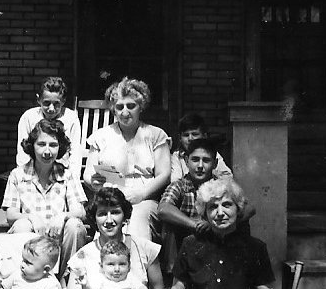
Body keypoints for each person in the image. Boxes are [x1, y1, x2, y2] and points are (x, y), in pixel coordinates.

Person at [162, 177, 276, 289]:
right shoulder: (191, 245)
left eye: (227, 205)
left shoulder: (254, 248)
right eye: (213, 207)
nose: (220, 212)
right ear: (205, 213)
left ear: (238, 209)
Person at [83, 77, 171, 240]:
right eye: (119, 107)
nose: (125, 112)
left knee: (137, 221)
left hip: (144, 199)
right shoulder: (101, 136)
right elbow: (88, 174)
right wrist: (94, 181)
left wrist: (141, 194)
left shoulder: (155, 135)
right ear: (113, 109)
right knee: (109, 220)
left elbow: (164, 174)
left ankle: (137, 256)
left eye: (131, 106)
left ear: (141, 107)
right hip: (110, 197)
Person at [3, 119, 88, 281]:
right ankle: (25, 281)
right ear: (32, 146)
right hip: (32, 241)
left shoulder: (67, 175)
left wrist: (63, 216)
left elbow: (81, 211)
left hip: (59, 242)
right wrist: (31, 217)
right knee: (21, 225)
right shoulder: (18, 175)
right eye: (41, 144)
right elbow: (11, 215)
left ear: (60, 148)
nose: (47, 151)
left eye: (53, 145)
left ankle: (67, 280)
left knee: (75, 225)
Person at [157, 138, 256, 273]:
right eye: (195, 160)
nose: (200, 166)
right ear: (186, 161)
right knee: (169, 224)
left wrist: (212, 224)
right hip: (190, 241)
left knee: (241, 221)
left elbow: (250, 208)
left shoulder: (222, 185)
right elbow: (163, 209)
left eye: (206, 160)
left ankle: (238, 269)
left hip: (218, 238)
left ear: (215, 164)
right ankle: (174, 274)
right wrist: (194, 224)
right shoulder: (179, 185)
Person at [16, 76, 82, 179]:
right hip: (34, 173)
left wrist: (73, 178)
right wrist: (25, 177)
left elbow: (75, 152)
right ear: (38, 99)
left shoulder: (71, 118)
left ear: (63, 101)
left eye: (56, 104)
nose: (51, 109)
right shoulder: (29, 117)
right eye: (46, 103)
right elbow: (22, 153)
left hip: (62, 173)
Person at [170, 113, 232, 183]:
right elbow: (175, 180)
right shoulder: (176, 157)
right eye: (186, 135)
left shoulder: (210, 154)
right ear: (180, 138)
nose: (190, 138)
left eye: (195, 134)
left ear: (204, 136)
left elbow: (228, 177)